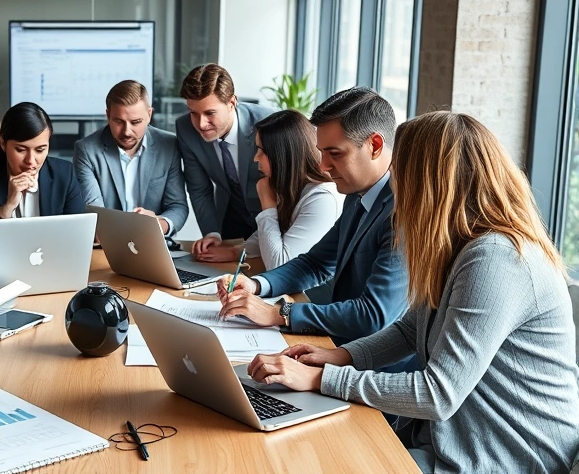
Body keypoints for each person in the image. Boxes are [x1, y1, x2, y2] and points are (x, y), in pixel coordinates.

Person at [244, 112, 579, 474]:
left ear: (429, 182)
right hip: (452, 439)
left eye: (399, 174)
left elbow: (439, 394)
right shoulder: (460, 245)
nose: (394, 186)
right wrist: (338, 356)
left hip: (506, 456)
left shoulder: (497, 258)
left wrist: (320, 379)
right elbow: (409, 330)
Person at [217, 88, 408, 350]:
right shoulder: (357, 192)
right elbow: (316, 263)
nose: (323, 166)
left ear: (374, 145)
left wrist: (279, 313)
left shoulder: (404, 211)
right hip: (339, 345)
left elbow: (373, 315)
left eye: (335, 154)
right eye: (322, 152)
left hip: (372, 365)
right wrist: (256, 284)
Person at [0, 102, 85, 262]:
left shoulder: (64, 174)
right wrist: (6, 208)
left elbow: (78, 239)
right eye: (21, 150)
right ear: (3, 143)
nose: (31, 161)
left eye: (40, 150)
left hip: (52, 268)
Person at [174, 64, 275, 261]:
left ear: (232, 102)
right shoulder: (185, 128)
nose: (201, 124)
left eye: (210, 113)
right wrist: (212, 233)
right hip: (230, 218)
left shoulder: (269, 123)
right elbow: (199, 188)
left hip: (272, 219)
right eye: (193, 112)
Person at [73, 80, 188, 236]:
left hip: (153, 243)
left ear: (149, 115)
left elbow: (178, 206)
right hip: (108, 244)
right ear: (108, 115)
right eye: (119, 121)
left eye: (136, 122)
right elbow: (94, 213)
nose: (127, 132)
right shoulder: (87, 150)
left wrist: (159, 225)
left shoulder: (169, 146)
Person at [239, 109, 343, 269]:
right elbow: (268, 238)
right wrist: (236, 252)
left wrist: (268, 204)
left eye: (262, 150)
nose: (255, 158)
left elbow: (280, 265)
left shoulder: (322, 198)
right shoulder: (292, 187)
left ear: (283, 155)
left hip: (312, 293)